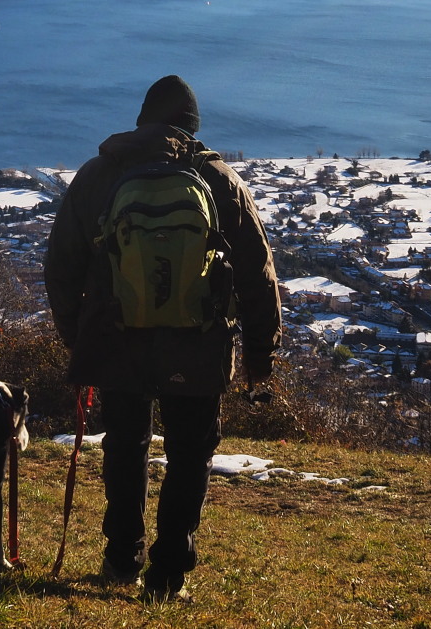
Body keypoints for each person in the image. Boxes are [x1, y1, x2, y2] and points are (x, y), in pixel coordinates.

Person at [46, 75, 281, 602]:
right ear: (192, 127)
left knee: (125, 445)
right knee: (189, 453)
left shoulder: (99, 174)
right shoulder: (218, 179)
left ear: (142, 121)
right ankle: (168, 574)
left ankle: (121, 558)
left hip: (115, 336)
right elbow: (257, 274)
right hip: (197, 340)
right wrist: (260, 356)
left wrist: (77, 338)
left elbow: (61, 265)